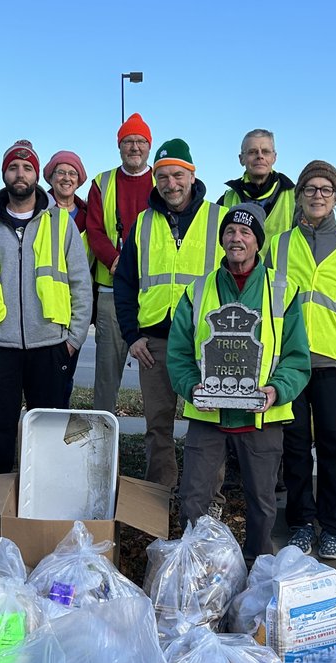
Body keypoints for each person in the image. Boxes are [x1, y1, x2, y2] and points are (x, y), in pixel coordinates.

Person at [168, 203, 310, 563]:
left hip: (262, 414)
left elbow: (297, 357)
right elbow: (179, 353)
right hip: (209, 413)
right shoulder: (197, 291)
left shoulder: (283, 290)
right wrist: (191, 388)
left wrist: (277, 390)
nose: (236, 238)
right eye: (230, 231)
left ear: (257, 242)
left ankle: (258, 570)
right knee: (194, 498)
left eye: (246, 232)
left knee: (261, 503)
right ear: (222, 239)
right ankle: (197, 569)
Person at [0, 139, 92, 497]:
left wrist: (74, 339)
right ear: (4, 174)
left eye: (28, 167)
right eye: (14, 168)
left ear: (37, 175)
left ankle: (46, 500)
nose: (21, 174)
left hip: (50, 345)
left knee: (49, 430)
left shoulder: (61, 223)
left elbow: (81, 283)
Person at [265, 161, 336, 561]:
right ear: (300, 195)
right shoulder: (278, 245)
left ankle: (331, 527)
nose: (317, 195)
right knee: (293, 447)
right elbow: (269, 305)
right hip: (289, 363)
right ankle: (299, 524)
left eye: (326, 189)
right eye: (310, 188)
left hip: (334, 362)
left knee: (332, 447)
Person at [114, 138, 226, 489]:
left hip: (205, 344)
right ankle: (159, 495)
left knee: (209, 423)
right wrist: (132, 335)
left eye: (178, 175)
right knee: (157, 424)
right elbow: (125, 282)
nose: (170, 184)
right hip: (155, 344)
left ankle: (206, 500)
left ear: (192, 176)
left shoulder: (219, 220)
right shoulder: (143, 223)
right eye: (162, 177)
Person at [85, 113, 155, 414]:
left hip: (152, 295)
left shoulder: (162, 180)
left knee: (156, 378)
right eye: (128, 141)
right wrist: (116, 263)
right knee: (106, 376)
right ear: (119, 146)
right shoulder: (102, 182)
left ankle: (156, 448)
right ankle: (101, 442)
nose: (135, 147)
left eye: (141, 141)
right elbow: (95, 230)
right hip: (112, 291)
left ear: (149, 146)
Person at [44, 149, 91, 407]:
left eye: (72, 173)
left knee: (66, 372)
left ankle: (59, 420)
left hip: (75, 304)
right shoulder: (38, 209)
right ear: (50, 177)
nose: (66, 177)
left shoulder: (87, 214)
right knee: (43, 375)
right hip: (45, 304)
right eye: (60, 172)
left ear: (79, 179)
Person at [219, 129, 296, 239]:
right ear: (241, 159)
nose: (260, 156)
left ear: (274, 157)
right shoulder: (226, 199)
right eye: (252, 152)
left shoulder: (296, 197)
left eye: (265, 151)